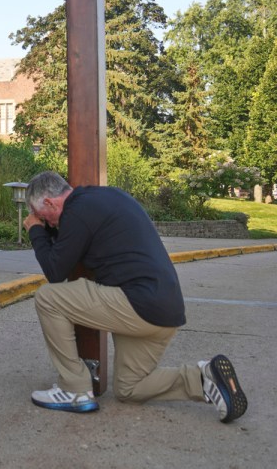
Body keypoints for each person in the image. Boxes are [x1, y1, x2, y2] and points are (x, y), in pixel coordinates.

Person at [21, 171, 247, 422]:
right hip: (164, 313)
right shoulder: (104, 198)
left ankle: (74, 389)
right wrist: (47, 228)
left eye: (44, 218)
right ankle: (203, 378)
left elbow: (54, 272)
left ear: (51, 202)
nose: (48, 225)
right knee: (130, 389)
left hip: (137, 303)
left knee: (48, 298)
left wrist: (35, 231)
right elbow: (68, 245)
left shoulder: (76, 212)